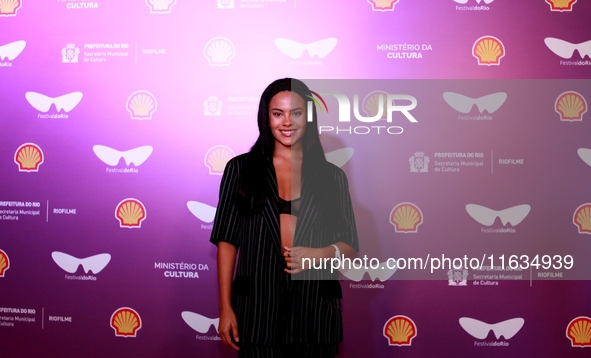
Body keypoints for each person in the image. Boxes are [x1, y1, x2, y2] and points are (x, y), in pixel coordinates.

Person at [210, 78, 358, 357]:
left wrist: (320, 254)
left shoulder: (332, 176)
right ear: (266, 118)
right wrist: (226, 308)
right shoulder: (240, 169)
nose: (287, 122)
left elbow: (349, 243)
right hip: (256, 315)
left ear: (309, 118)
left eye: (297, 113)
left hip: (315, 315)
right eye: (278, 113)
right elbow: (227, 242)